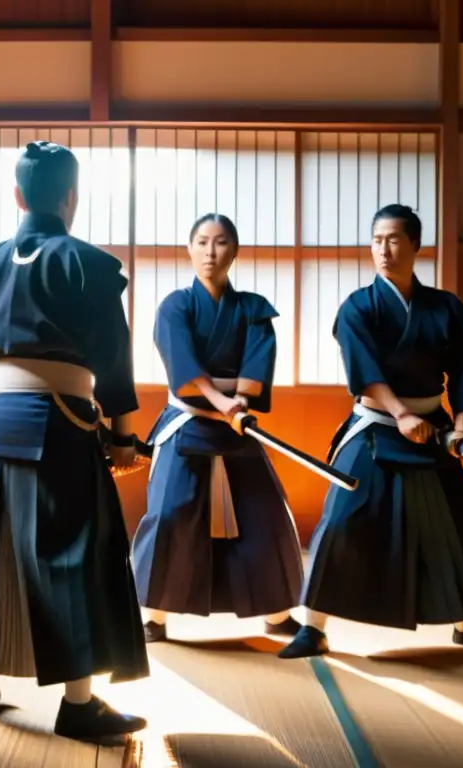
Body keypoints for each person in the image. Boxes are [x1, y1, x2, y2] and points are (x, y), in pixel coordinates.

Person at [0, 140, 149, 746]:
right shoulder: (90, 265)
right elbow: (114, 362)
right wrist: (124, 438)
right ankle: (78, 704)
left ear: (17, 195)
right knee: (72, 555)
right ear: (72, 196)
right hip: (64, 425)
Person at [279, 204, 463, 660]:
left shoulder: (444, 308)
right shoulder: (358, 308)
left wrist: (461, 427)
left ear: (415, 246)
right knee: (341, 522)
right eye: (377, 240)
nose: (384, 250)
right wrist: (401, 414)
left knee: (453, 522)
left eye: (394, 240)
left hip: (433, 430)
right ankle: (313, 628)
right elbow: (364, 371)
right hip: (376, 427)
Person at [132, 213, 304, 643]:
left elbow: (257, 364)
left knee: (266, 514)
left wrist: (241, 402)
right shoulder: (176, 305)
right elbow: (182, 364)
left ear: (235, 251)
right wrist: (222, 402)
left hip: (237, 424)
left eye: (221, 242)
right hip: (188, 423)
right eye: (203, 242)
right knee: (172, 513)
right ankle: (154, 616)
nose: (211, 252)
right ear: (189, 249)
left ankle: (277, 612)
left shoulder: (253, 309)